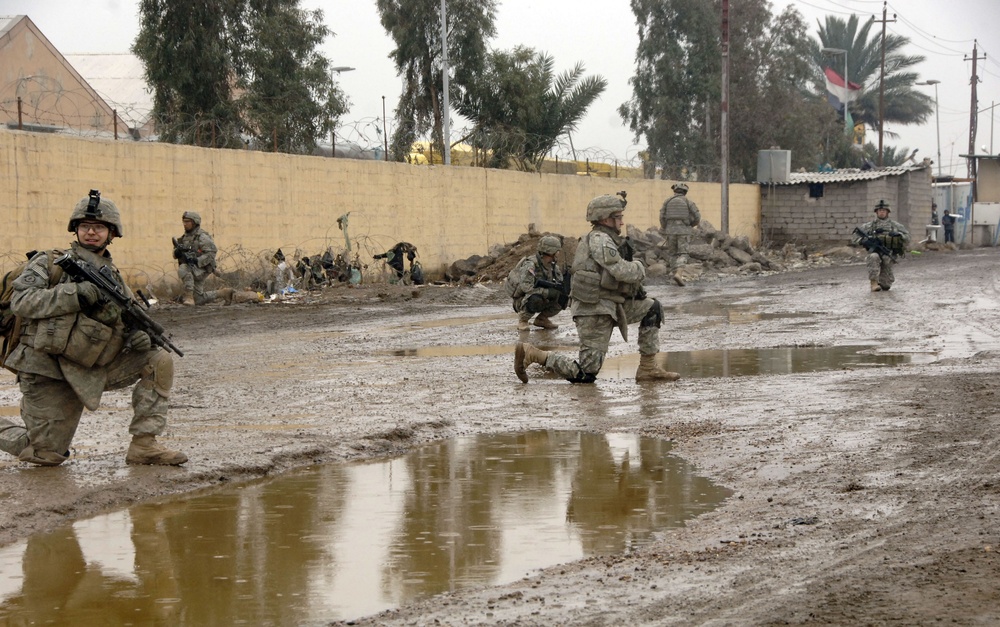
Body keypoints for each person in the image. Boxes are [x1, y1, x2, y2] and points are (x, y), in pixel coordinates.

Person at [0, 191, 187, 466]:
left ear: (112, 233)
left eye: (99, 227)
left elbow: (119, 325)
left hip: (89, 366)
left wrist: (134, 338)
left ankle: (144, 445)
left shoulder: (115, 281)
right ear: (75, 230)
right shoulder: (48, 263)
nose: (91, 232)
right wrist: (74, 294)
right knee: (46, 455)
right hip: (46, 367)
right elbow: (22, 302)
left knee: (158, 359)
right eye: (84, 226)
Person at [514, 193, 680, 384]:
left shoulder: (608, 239)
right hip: (593, 310)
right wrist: (640, 266)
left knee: (652, 308)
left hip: (609, 305)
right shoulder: (599, 239)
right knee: (585, 374)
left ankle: (648, 368)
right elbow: (620, 271)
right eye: (618, 218)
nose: (622, 223)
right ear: (605, 219)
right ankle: (533, 354)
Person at [507, 235, 566, 331]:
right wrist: (547, 292)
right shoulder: (531, 264)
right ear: (550, 252)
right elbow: (526, 287)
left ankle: (542, 319)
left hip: (542, 297)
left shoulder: (553, 266)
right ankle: (523, 320)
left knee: (563, 298)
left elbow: (560, 282)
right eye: (556, 251)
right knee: (535, 299)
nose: (558, 254)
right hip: (523, 300)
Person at [173, 211, 232, 306]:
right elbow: (176, 254)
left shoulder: (202, 237)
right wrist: (177, 253)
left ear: (194, 222)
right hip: (193, 267)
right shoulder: (184, 238)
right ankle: (223, 293)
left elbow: (211, 252)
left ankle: (189, 296)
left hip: (203, 268)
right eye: (184, 221)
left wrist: (197, 260)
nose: (185, 224)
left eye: (187, 221)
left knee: (183, 268)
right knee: (199, 299)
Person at [852, 199, 910, 292]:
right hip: (875, 251)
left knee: (886, 286)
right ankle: (873, 283)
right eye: (879, 210)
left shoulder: (895, 225)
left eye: (884, 210)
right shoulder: (870, 225)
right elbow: (855, 237)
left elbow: (908, 237)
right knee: (873, 257)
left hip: (889, 253)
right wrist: (863, 241)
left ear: (887, 212)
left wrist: (899, 235)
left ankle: (884, 280)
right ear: (876, 212)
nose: (882, 212)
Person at [659, 182, 701, 286]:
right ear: (685, 192)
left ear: (675, 191)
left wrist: (665, 227)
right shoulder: (688, 202)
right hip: (684, 231)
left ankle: (674, 275)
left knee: (672, 254)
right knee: (683, 253)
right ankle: (678, 274)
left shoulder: (667, 201)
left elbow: (661, 216)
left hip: (670, 231)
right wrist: (691, 225)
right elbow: (697, 217)